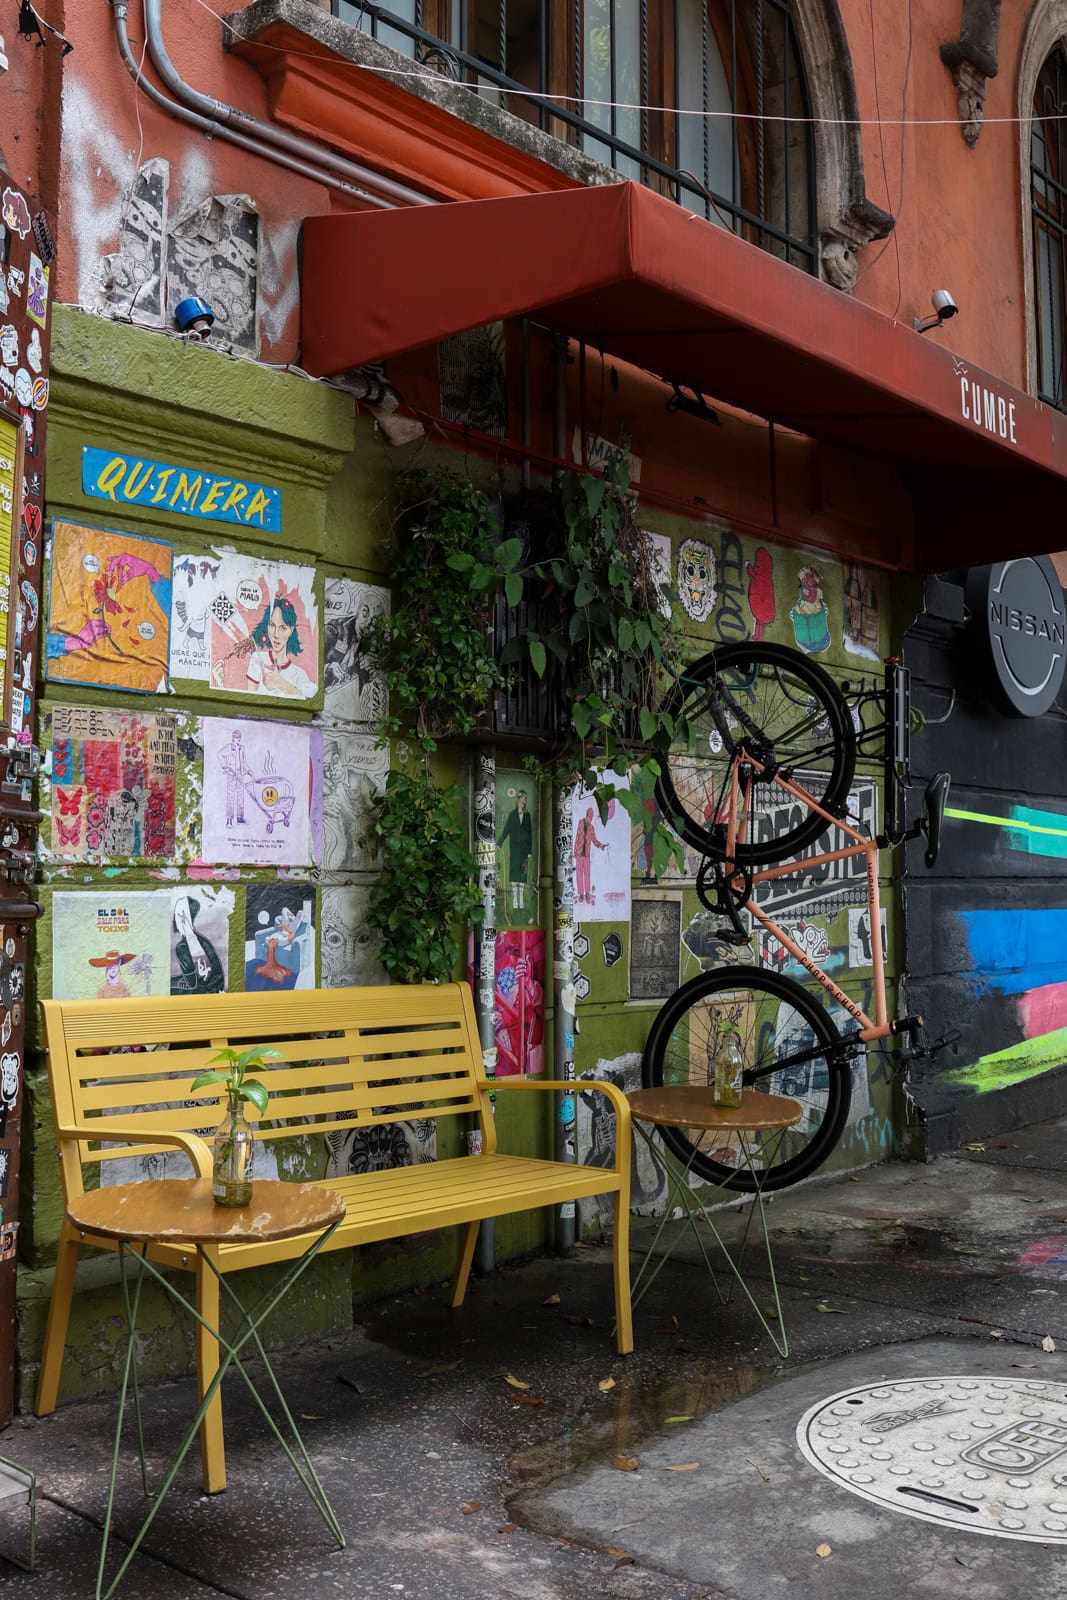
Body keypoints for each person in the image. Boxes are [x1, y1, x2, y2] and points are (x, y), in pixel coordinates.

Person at [498, 790, 533, 914]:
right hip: (514, 848)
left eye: (524, 800)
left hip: (523, 850)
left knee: (523, 873)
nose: (522, 802)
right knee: (514, 872)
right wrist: (499, 842)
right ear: (517, 800)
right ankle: (515, 901)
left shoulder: (527, 816)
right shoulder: (512, 815)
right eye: (520, 799)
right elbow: (506, 830)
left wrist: (529, 851)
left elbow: (529, 834)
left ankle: (521, 900)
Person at [574, 805, 606, 906]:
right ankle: (581, 894)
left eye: (591, 818)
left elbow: (594, 839)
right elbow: (577, 837)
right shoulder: (580, 822)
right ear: (586, 815)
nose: (590, 819)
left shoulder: (592, 827)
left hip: (587, 854)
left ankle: (587, 893)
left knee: (587, 874)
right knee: (579, 874)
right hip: (579, 854)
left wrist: (600, 845)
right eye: (589, 817)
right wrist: (575, 851)